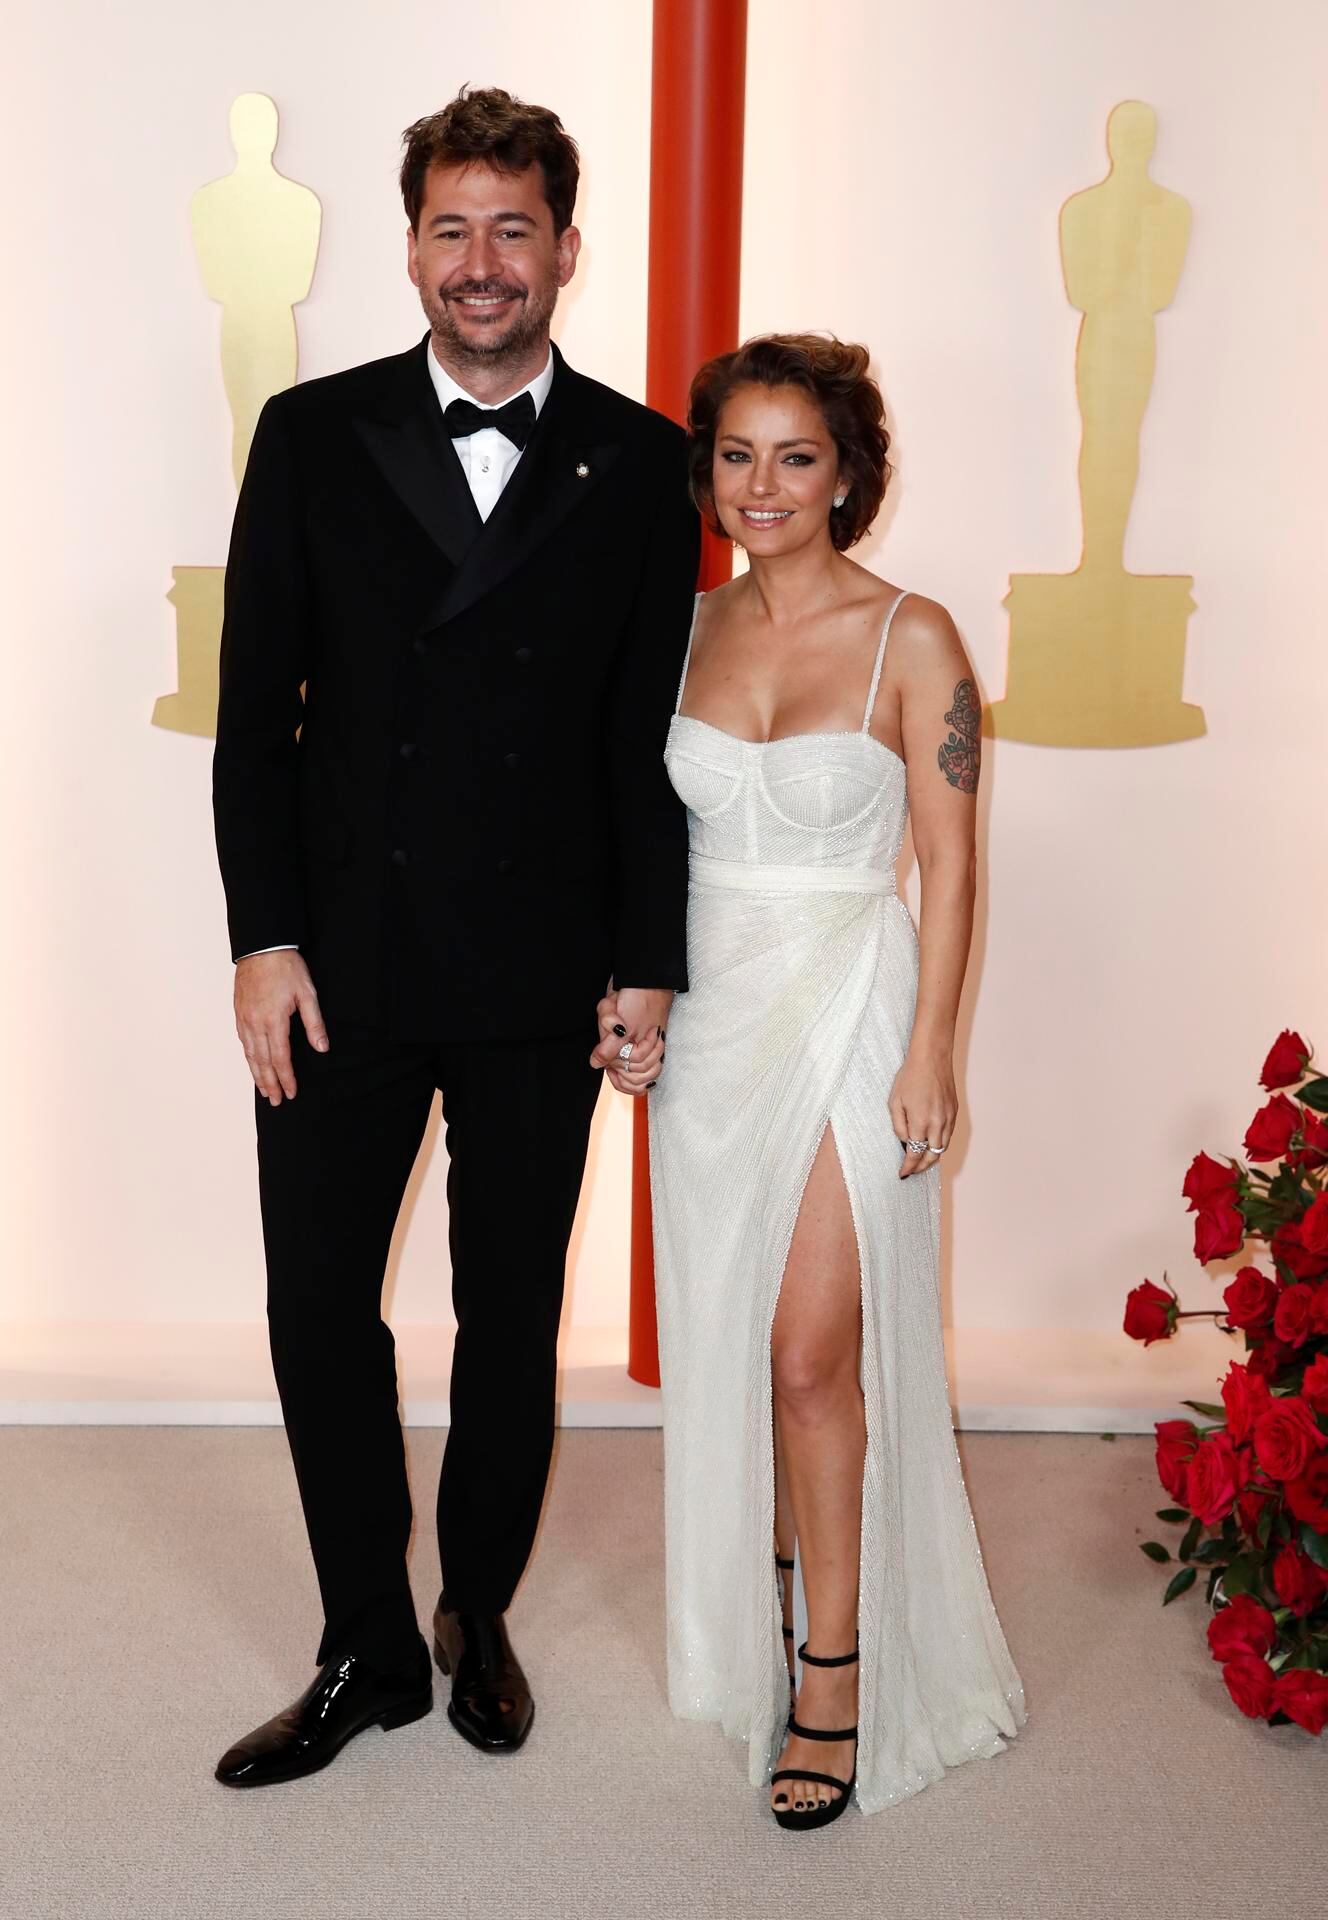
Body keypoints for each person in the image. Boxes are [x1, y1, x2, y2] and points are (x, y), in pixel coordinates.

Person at [211, 87, 697, 1787]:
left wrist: (647, 961)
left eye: (513, 230)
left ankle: (471, 1610)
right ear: (409, 244)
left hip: (537, 970)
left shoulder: (643, 464)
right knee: (316, 1304)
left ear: (567, 247)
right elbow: (250, 719)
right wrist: (263, 942)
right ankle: (362, 1638)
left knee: (511, 1305)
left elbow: (647, 744)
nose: (479, 265)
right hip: (337, 966)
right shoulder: (310, 431)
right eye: (449, 228)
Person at [632, 335, 1024, 1827]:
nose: (764, 485)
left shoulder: (912, 635)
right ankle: (798, 1551)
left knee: (808, 1355)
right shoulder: (678, 628)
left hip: (850, 1000)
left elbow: (951, 860)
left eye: (797, 457)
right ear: (709, 469)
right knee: (741, 1342)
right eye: (738, 455)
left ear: (849, 469)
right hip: (711, 1032)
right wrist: (634, 995)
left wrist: (932, 1052)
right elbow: (643, 847)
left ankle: (837, 1670)